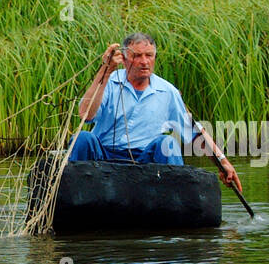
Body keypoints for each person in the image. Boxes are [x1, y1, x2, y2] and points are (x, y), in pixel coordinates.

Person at [72, 33, 239, 189]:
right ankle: (74, 192)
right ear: (124, 59)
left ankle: (176, 199)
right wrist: (105, 71)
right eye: (137, 56)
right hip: (104, 155)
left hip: (145, 161)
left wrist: (223, 162)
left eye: (149, 55)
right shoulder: (109, 81)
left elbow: (194, 132)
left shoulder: (167, 91)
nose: (144, 61)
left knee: (168, 143)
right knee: (82, 138)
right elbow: (85, 115)